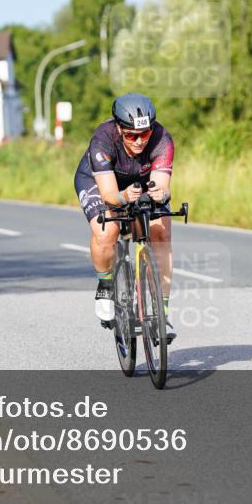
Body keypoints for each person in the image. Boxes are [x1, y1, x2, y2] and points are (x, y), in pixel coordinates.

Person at [73, 93, 175, 340]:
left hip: (139, 181)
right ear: (119, 129)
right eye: (131, 135)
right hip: (100, 181)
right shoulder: (103, 139)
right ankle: (106, 284)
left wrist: (160, 193)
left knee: (159, 233)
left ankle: (161, 309)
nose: (139, 141)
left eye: (145, 134)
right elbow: (109, 194)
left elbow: (162, 186)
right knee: (108, 230)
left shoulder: (162, 140)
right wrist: (123, 197)